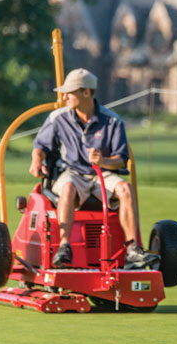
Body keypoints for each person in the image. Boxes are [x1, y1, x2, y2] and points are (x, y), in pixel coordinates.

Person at [29, 68, 159, 269]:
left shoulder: (113, 121)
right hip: (71, 173)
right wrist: (36, 161)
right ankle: (64, 247)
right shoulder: (58, 118)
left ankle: (133, 249)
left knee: (125, 188)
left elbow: (121, 161)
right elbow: (40, 146)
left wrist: (103, 160)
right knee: (68, 188)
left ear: (86, 93)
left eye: (69, 92)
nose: (64, 97)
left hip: (102, 174)